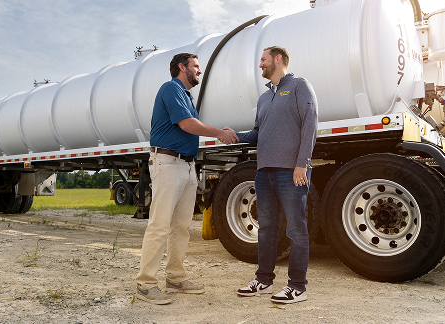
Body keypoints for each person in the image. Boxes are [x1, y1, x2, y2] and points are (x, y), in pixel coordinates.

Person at [135, 52, 238, 305]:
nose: (199, 71)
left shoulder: (186, 95)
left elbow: (189, 126)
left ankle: (175, 278)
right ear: (182, 67)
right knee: (160, 225)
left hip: (185, 165)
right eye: (196, 67)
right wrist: (218, 133)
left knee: (181, 227)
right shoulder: (171, 88)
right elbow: (185, 124)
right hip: (167, 163)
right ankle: (146, 283)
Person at [234, 46, 318, 304]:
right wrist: (235, 135)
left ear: (278, 59)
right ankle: (263, 279)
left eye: (263, 59)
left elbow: (311, 122)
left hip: (290, 172)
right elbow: (257, 133)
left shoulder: (299, 86)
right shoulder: (263, 98)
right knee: (266, 229)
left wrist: (302, 164)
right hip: (264, 174)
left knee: (295, 229)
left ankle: (297, 287)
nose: (260, 65)